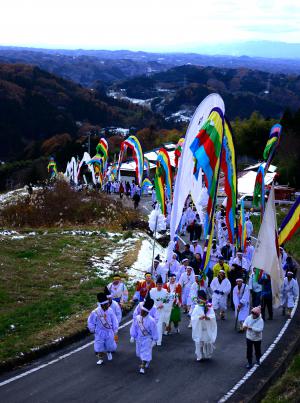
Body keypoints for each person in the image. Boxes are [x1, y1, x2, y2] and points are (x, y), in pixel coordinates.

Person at [87, 292, 119, 365]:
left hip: (109, 331)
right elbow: (90, 321)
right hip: (100, 332)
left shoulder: (110, 310)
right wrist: (93, 329)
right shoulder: (95, 312)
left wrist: (115, 329)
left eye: (108, 304)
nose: (108, 305)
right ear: (102, 305)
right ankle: (100, 359)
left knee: (110, 345)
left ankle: (108, 352)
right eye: (106, 304)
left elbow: (114, 320)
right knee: (99, 346)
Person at [130, 297, 159, 374]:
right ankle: (146, 361)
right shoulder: (137, 318)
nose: (141, 313)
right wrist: (132, 336)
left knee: (145, 353)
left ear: (147, 312)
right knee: (139, 353)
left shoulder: (151, 321)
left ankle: (142, 366)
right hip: (138, 338)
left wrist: (154, 340)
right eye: (141, 311)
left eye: (143, 312)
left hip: (147, 339)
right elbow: (134, 327)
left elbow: (154, 331)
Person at [191, 290, 217, 361]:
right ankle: (199, 355)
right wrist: (199, 318)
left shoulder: (209, 306)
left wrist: (207, 317)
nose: (200, 299)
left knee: (206, 341)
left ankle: (207, 354)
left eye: (201, 298)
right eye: (199, 298)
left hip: (206, 328)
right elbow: (193, 317)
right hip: (199, 327)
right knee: (198, 341)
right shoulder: (196, 307)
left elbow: (213, 316)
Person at [150, 276, 170, 346]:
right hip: (153, 310)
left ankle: (158, 341)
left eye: (161, 284)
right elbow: (149, 300)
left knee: (159, 326)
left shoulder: (165, 291)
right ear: (156, 284)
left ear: (162, 284)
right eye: (158, 284)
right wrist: (154, 307)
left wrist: (163, 305)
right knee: (152, 326)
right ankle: (153, 340)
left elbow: (167, 300)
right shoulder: (152, 291)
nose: (159, 286)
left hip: (161, 311)